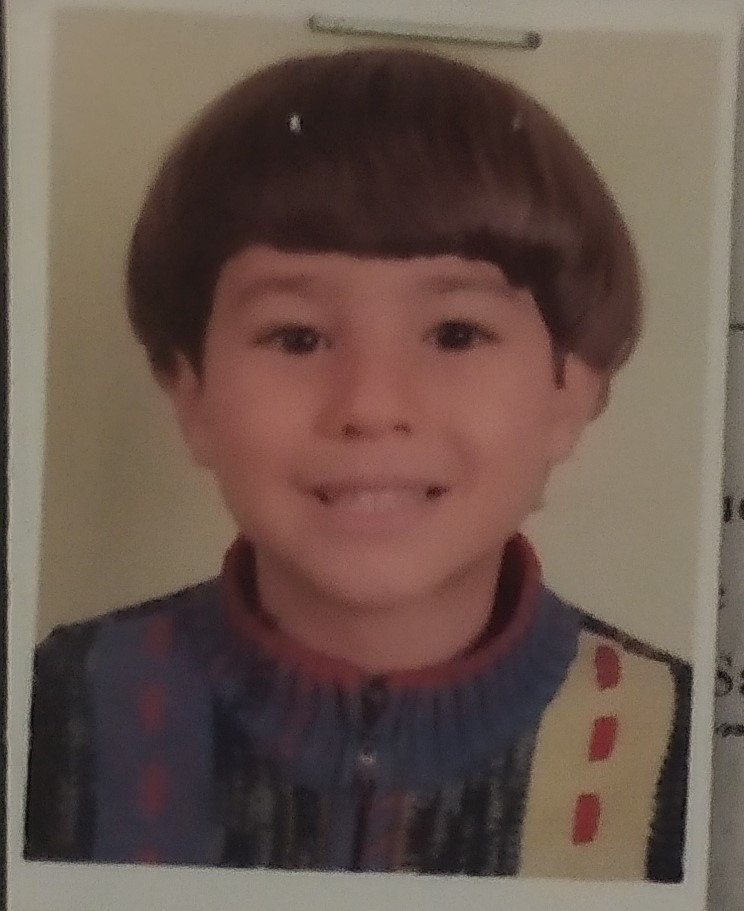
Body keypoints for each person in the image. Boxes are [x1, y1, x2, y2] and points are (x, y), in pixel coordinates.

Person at [23, 46, 690, 882]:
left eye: (456, 334)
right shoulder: (48, 713)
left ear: (570, 391)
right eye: (296, 336)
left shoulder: (689, 753)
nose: (371, 405)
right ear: (190, 392)